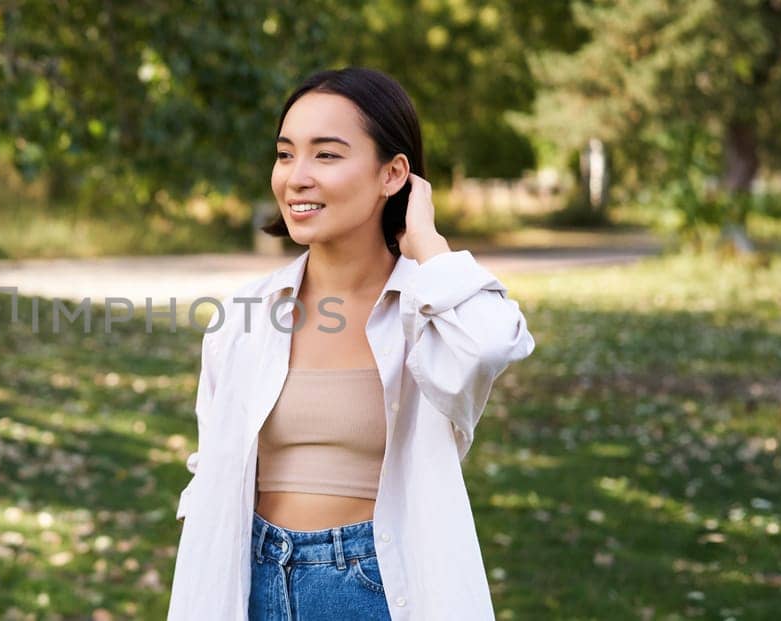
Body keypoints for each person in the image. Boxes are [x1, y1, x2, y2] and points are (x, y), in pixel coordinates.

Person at [167, 67, 536, 620]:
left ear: (393, 175)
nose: (297, 177)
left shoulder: (430, 304)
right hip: (252, 582)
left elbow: (489, 346)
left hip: (371, 588)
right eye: (286, 153)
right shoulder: (247, 313)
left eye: (327, 155)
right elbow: (213, 467)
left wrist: (429, 246)